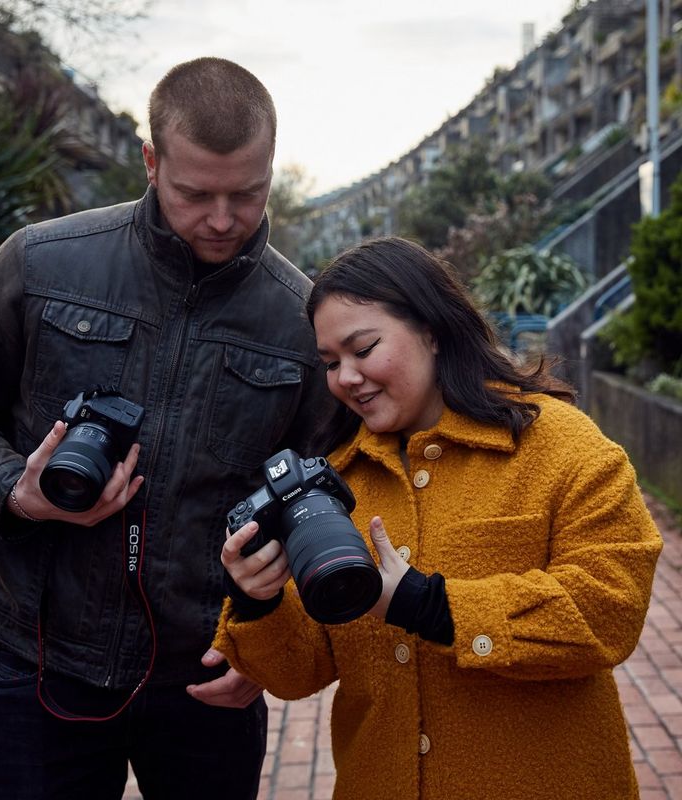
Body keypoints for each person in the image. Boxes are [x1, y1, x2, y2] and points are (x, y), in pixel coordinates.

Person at [0, 57, 335, 799]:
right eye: (196, 194)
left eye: (249, 193)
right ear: (150, 159)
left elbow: (333, 489)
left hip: (208, 675)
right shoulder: (40, 263)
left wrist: (274, 637)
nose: (224, 219)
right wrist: (17, 488)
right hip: (45, 659)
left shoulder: (304, 317)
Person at [215, 236, 664, 800]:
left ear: (432, 329)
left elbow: (607, 611)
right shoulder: (336, 482)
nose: (345, 377)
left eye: (364, 348)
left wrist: (429, 604)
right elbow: (299, 669)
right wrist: (261, 602)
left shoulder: (560, 446)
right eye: (330, 363)